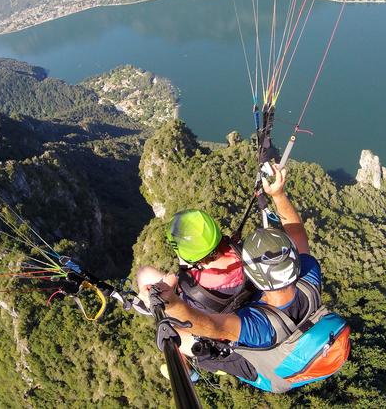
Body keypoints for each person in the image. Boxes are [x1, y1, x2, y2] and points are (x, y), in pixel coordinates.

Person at [150, 165, 350, 393]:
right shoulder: (308, 276)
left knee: (183, 338)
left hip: (265, 369)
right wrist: (278, 194)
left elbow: (211, 326)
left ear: (254, 279)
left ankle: (192, 371)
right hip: (308, 337)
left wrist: (171, 302)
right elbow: (297, 233)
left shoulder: (259, 326)